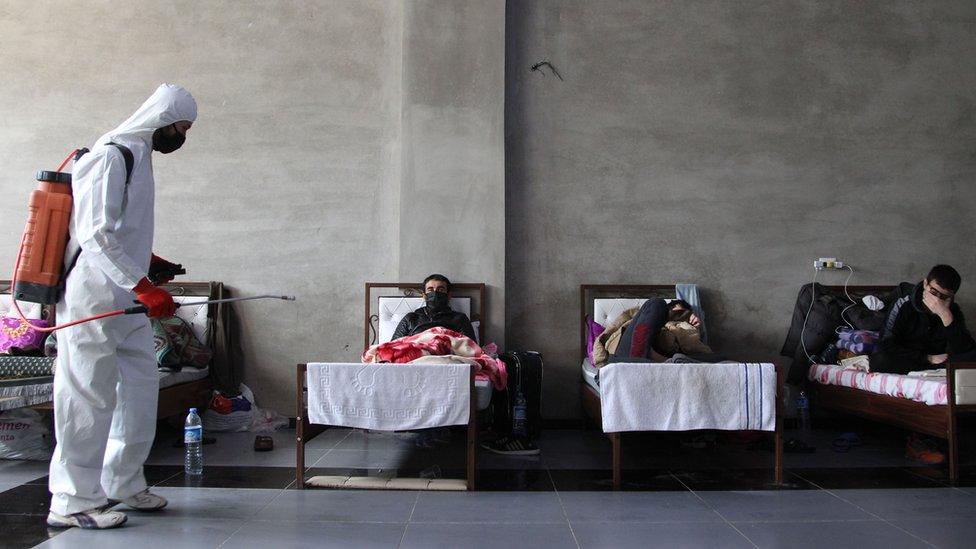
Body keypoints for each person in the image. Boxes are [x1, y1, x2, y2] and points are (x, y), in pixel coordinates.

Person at [47, 84, 197, 530]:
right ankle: (71, 501)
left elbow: (120, 228)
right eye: (181, 127)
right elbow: (93, 234)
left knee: (138, 388)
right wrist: (143, 284)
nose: (182, 136)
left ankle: (124, 482)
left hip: (126, 301)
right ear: (162, 119)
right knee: (86, 396)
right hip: (92, 299)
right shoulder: (111, 155)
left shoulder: (139, 154)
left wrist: (149, 263)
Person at [870, 264, 975, 464]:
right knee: (879, 359)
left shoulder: (950, 310)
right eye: (933, 292)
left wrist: (945, 315)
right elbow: (887, 345)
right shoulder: (904, 303)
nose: (936, 299)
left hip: (940, 362)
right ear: (925, 284)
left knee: (971, 356)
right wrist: (926, 358)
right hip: (909, 359)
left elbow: (965, 349)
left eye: (943, 296)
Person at [391, 274, 476, 341]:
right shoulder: (411, 318)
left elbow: (470, 348)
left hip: (448, 359)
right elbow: (393, 347)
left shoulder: (460, 318)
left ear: (449, 295)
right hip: (415, 359)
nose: (435, 293)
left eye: (441, 290)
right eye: (430, 290)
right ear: (424, 296)